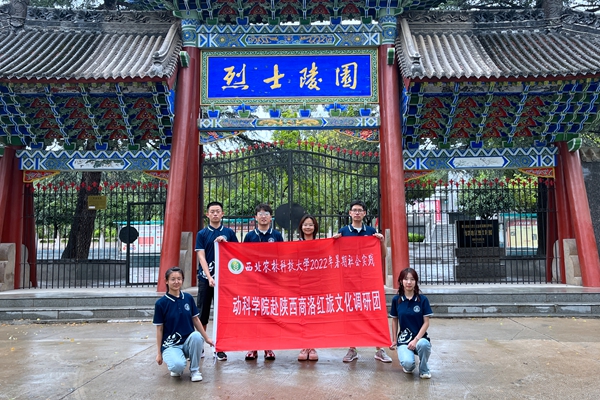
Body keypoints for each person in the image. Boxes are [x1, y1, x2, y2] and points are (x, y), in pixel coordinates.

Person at [333, 199, 392, 364]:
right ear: (350, 213)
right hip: (349, 280)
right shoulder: (343, 232)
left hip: (368, 280)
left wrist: (381, 241)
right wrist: (333, 242)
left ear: (364, 213)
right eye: (354, 210)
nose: (357, 213)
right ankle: (352, 349)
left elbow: (382, 255)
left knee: (374, 312)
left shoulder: (371, 232)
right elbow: (335, 255)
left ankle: (379, 349)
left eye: (360, 210)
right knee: (351, 313)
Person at [153, 267, 214, 382]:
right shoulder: (161, 304)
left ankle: (194, 370)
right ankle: (177, 365)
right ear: (166, 281)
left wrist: (207, 338)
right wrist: (159, 353)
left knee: (196, 336)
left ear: (182, 280)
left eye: (179, 279)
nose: (176, 282)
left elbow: (196, 320)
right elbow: (159, 329)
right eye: (173, 279)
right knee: (177, 367)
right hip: (171, 345)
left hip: (187, 343)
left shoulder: (188, 298)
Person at [195, 201, 238, 361]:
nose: (215, 214)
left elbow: (236, 254)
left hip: (224, 281)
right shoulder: (202, 234)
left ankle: (220, 347)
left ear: (222, 214)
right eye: (212, 211)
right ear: (207, 214)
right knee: (203, 314)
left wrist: (225, 244)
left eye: (217, 211)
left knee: (222, 314)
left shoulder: (229, 233)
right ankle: (200, 345)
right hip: (206, 279)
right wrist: (209, 277)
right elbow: (201, 257)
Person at [243, 203, 284, 361]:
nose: (263, 217)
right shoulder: (249, 236)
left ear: (271, 217)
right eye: (260, 214)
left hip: (271, 282)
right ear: (255, 217)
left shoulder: (277, 235)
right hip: (253, 281)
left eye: (266, 214)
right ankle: (252, 347)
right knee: (253, 314)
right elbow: (243, 257)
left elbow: (282, 256)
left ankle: (268, 347)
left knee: (268, 313)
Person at [389, 267, 433, 379]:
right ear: (401, 281)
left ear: (416, 281)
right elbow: (394, 320)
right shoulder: (396, 300)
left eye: (412, 279)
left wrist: (416, 340)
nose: (409, 282)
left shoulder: (422, 300)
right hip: (404, 341)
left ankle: (424, 369)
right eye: (406, 279)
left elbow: (426, 323)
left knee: (424, 345)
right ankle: (409, 365)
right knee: (408, 365)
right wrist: (394, 340)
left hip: (420, 339)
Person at [296, 214, 320, 362]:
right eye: (305, 224)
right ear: (301, 227)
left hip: (316, 284)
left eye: (311, 224)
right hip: (300, 284)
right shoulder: (295, 245)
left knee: (313, 316)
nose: (308, 227)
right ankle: (303, 346)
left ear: (315, 227)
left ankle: (312, 346)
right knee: (302, 316)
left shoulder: (321, 243)